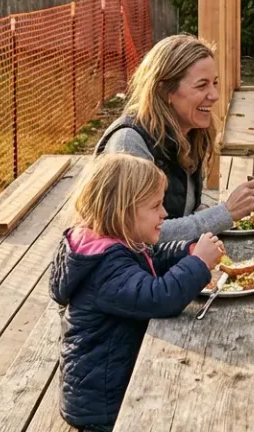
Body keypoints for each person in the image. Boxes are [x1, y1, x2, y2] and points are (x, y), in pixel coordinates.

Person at [50, 153, 224, 431]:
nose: (164, 213)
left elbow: (150, 258)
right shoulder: (106, 266)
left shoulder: (112, 245)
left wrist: (186, 250)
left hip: (105, 385)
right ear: (123, 211)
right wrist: (198, 263)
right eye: (155, 206)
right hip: (103, 405)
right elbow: (159, 298)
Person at [97, 34, 254, 242]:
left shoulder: (191, 132)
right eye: (202, 85)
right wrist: (225, 213)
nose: (214, 95)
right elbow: (141, 236)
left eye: (215, 83)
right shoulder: (129, 144)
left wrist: (209, 212)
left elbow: (183, 210)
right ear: (164, 90)